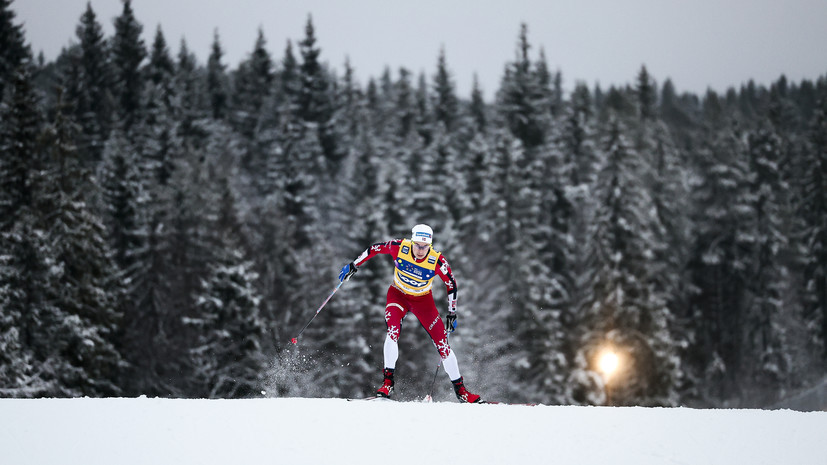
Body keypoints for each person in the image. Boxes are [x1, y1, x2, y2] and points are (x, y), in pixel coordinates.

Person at [338, 224, 481, 403]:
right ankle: (388, 382)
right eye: (418, 245)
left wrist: (452, 313)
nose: (421, 250)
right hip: (398, 295)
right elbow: (373, 249)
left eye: (425, 247)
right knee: (392, 331)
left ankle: (462, 392)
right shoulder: (400, 247)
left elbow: (451, 285)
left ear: (430, 245)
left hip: (423, 301)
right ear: (412, 242)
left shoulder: (437, 261)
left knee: (442, 344)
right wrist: (353, 265)